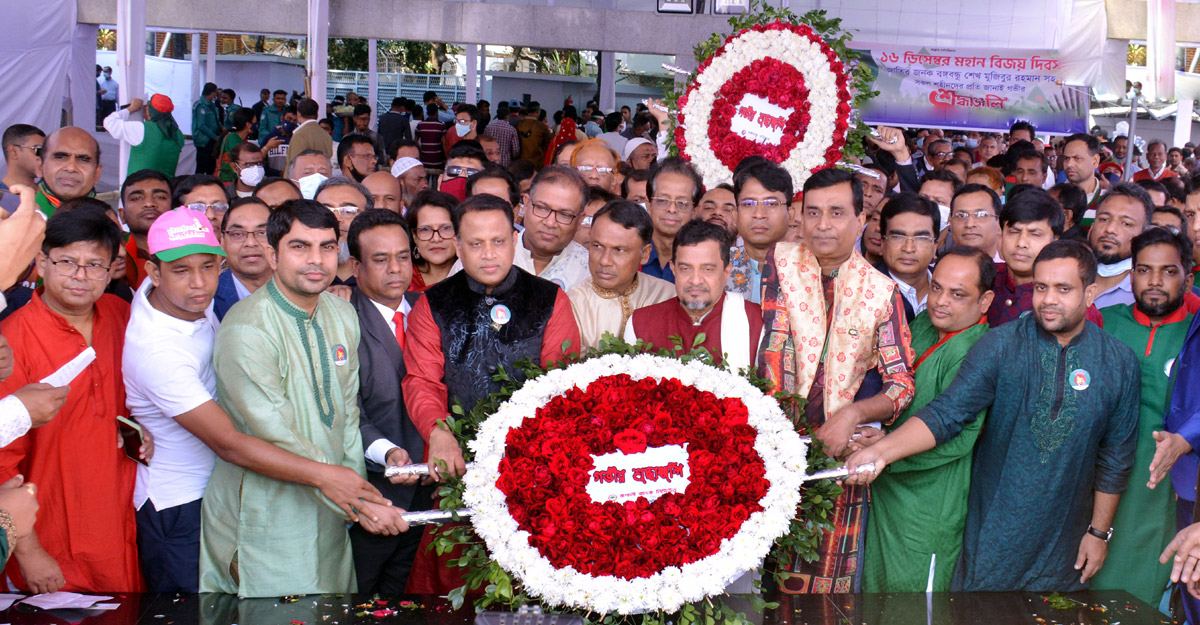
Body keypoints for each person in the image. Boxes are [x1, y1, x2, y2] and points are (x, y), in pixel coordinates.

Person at [845, 240, 1139, 592]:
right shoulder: (1000, 345)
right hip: (992, 532)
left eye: (1063, 289)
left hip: (1065, 537)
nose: (1048, 299)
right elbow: (948, 413)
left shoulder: (1119, 362)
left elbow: (1116, 458)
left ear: (1090, 293)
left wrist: (1098, 533)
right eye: (1041, 287)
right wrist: (881, 452)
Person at [201, 200, 409, 597]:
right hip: (267, 513)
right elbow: (274, 432)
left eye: (327, 247)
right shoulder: (247, 328)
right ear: (271, 254)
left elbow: (348, 417)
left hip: (332, 508)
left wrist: (357, 500)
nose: (316, 260)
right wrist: (361, 504)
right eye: (300, 247)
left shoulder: (341, 314)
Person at [402, 193, 580, 593]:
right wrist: (438, 432)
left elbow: (560, 386)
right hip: (459, 467)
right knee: (455, 583)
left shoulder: (550, 299)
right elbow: (422, 381)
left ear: (514, 241)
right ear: (458, 245)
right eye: (475, 243)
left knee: (533, 589)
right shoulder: (433, 304)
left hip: (536, 469)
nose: (488, 254)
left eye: (498, 241)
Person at [759, 167, 916, 593]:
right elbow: (757, 343)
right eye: (813, 212)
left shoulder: (882, 293)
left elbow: (901, 383)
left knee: (820, 591)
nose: (823, 225)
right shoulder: (777, 262)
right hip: (763, 449)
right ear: (799, 216)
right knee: (747, 582)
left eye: (836, 213)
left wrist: (853, 414)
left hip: (834, 463)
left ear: (861, 220)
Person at [0, 206, 145, 593]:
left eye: (94, 264)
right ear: (42, 263)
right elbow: (1, 464)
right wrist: (28, 552)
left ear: (112, 268)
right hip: (48, 528)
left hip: (117, 518)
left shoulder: (121, 315)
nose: (81, 276)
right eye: (67, 261)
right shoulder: (12, 340)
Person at [862, 247, 994, 592]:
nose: (941, 301)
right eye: (937, 288)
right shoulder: (922, 324)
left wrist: (884, 448)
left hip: (929, 502)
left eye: (958, 294)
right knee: (876, 592)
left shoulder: (978, 351)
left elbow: (961, 437)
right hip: (886, 491)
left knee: (915, 601)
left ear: (986, 301)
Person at [1087, 228, 1194, 603]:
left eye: (1168, 272)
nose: (1154, 282)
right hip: (1096, 473)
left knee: (1141, 591)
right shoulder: (1102, 321)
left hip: (1161, 481)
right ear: (1131, 274)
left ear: (1188, 278)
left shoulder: (1195, 332)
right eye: (1144, 270)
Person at [343, 209, 427, 594]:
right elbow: (345, 412)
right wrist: (388, 452)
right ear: (355, 267)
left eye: (403, 256)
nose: (395, 268)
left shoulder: (430, 309)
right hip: (374, 496)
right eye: (380, 259)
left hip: (432, 494)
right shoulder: (340, 319)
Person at [625, 220, 763, 370]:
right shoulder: (642, 323)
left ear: (727, 271)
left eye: (708, 269)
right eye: (685, 268)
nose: (696, 280)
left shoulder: (756, 321)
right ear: (673, 269)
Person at [568, 200, 674, 349]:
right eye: (597, 246)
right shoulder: (572, 304)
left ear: (645, 254)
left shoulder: (668, 296)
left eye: (619, 250)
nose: (604, 261)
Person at [505, 165, 591, 290]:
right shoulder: (493, 253)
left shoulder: (589, 270)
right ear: (527, 204)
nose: (550, 223)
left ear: (580, 220)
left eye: (564, 214)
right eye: (542, 208)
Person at [726, 163, 793, 304]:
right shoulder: (717, 266)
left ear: (790, 215)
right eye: (749, 204)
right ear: (735, 216)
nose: (759, 214)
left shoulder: (810, 269)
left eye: (771, 203)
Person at [1090, 183, 1153, 309]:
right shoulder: (1069, 275)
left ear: (1143, 234)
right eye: (1104, 219)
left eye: (1126, 223)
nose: (1110, 229)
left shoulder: (1146, 293)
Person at [879, 193, 941, 321]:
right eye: (897, 237)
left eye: (921, 238)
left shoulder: (949, 287)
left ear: (935, 246)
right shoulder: (860, 290)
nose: (908, 248)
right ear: (882, 243)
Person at [641, 158, 702, 283]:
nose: (672, 209)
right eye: (663, 200)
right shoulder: (632, 254)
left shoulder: (703, 261)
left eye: (682, 203)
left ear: (694, 211)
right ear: (649, 204)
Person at [214, 197, 273, 319]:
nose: (250, 243)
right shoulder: (209, 298)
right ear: (222, 242)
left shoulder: (298, 291)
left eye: (262, 233)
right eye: (237, 234)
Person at [103, 95, 184, 178]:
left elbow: (109, 123)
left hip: (140, 188)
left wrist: (131, 108)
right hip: (166, 188)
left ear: (150, 111)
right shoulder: (178, 134)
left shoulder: (142, 129)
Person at [119, 169, 173, 290]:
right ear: (122, 215)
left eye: (160, 197)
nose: (149, 203)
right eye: (137, 198)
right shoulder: (115, 258)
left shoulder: (187, 253)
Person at [315, 176, 373, 287]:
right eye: (327, 211)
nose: (337, 219)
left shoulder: (380, 275)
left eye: (348, 211)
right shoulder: (300, 275)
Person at [34, 127, 102, 217]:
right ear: (40, 166)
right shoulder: (15, 214)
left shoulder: (108, 221)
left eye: (83, 160)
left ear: (97, 173)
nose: (71, 168)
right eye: (60, 157)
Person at [407, 191, 459, 293]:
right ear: (414, 237)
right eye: (425, 229)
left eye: (446, 228)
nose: (436, 238)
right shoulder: (403, 279)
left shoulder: (474, 277)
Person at [1061, 133, 1105, 229]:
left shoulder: (1109, 200)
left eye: (1077, 158)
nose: (1069, 164)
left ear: (1095, 161)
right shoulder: (1054, 198)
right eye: (1066, 158)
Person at [0, 124, 45, 214]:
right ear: (13, 152)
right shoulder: (2, 197)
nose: (44, 156)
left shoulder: (51, 194)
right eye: (38, 150)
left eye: (47, 151)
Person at [286, 99, 334, 174]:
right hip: (323, 180)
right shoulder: (327, 136)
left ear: (298, 114)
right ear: (317, 115)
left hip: (303, 182)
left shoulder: (299, 135)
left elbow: (294, 167)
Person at [192, 83, 222, 176]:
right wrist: (215, 137)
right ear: (213, 92)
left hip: (212, 140)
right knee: (201, 167)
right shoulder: (201, 105)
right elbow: (201, 125)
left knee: (211, 167)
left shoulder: (212, 105)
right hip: (204, 140)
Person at [515, 103, 551, 168]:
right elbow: (547, 145)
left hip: (520, 162)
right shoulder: (542, 127)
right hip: (537, 163)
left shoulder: (518, 125)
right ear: (537, 112)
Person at [416, 103, 447, 174]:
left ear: (426, 113)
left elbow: (415, 141)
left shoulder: (420, 125)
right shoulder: (441, 126)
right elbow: (444, 143)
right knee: (437, 181)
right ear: (437, 113)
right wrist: (446, 157)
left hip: (424, 159)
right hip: (438, 159)